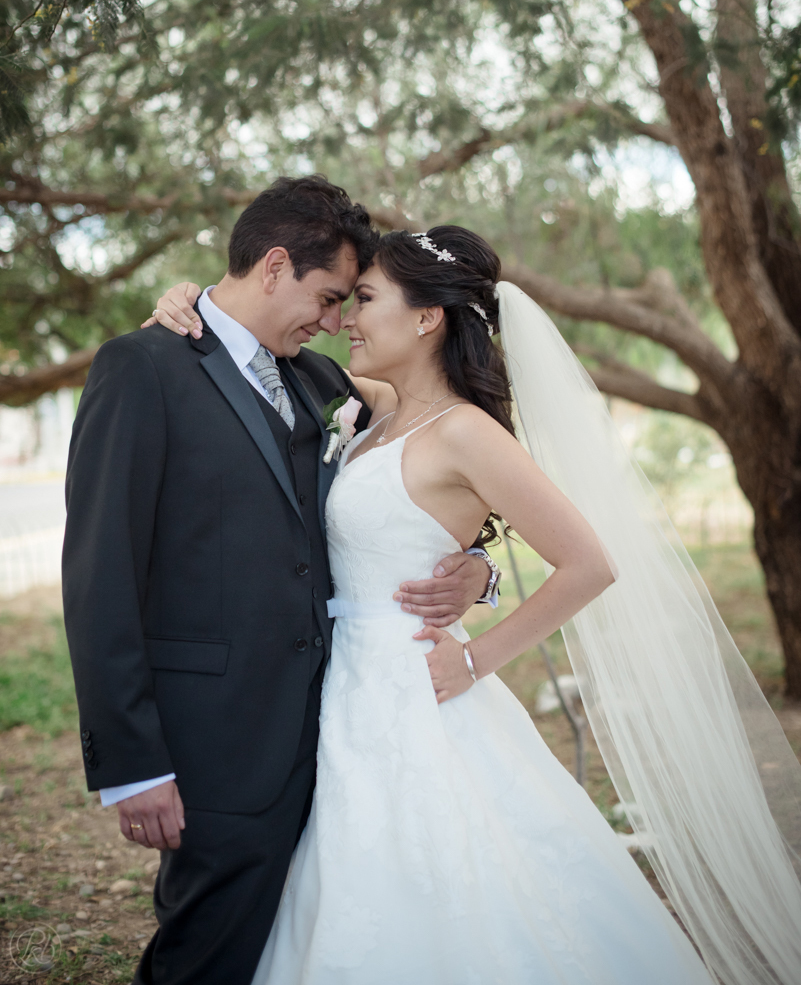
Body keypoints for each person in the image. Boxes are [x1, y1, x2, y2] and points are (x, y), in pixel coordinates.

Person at [153, 223, 801, 985]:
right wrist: (187, 297)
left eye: (363, 299)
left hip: (417, 687)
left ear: (427, 318)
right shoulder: (372, 410)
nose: (345, 319)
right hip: (341, 685)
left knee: (447, 874)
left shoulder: (466, 431)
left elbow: (587, 563)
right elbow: (251, 360)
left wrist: (476, 655)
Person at [61, 180, 493, 985]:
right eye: (329, 297)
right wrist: (131, 762)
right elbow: (99, 574)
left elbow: (438, 479)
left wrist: (479, 569)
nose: (335, 321)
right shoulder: (142, 366)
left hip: (336, 731)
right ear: (272, 265)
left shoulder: (324, 385)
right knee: (207, 951)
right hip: (213, 741)